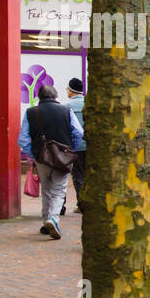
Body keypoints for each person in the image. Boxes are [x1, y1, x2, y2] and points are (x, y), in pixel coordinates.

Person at [18, 83, 84, 240]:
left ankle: (46, 221)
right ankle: (53, 219)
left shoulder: (31, 112)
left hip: (42, 157)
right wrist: (70, 150)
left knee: (46, 189)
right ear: (55, 97)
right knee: (59, 189)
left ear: (39, 97)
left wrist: (32, 154)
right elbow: (79, 133)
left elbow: (23, 139)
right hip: (63, 157)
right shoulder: (66, 111)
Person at [65, 77, 86, 214]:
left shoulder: (67, 107)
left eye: (67, 88)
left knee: (78, 175)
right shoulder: (88, 104)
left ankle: (82, 204)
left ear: (72, 90)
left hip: (76, 146)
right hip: (90, 146)